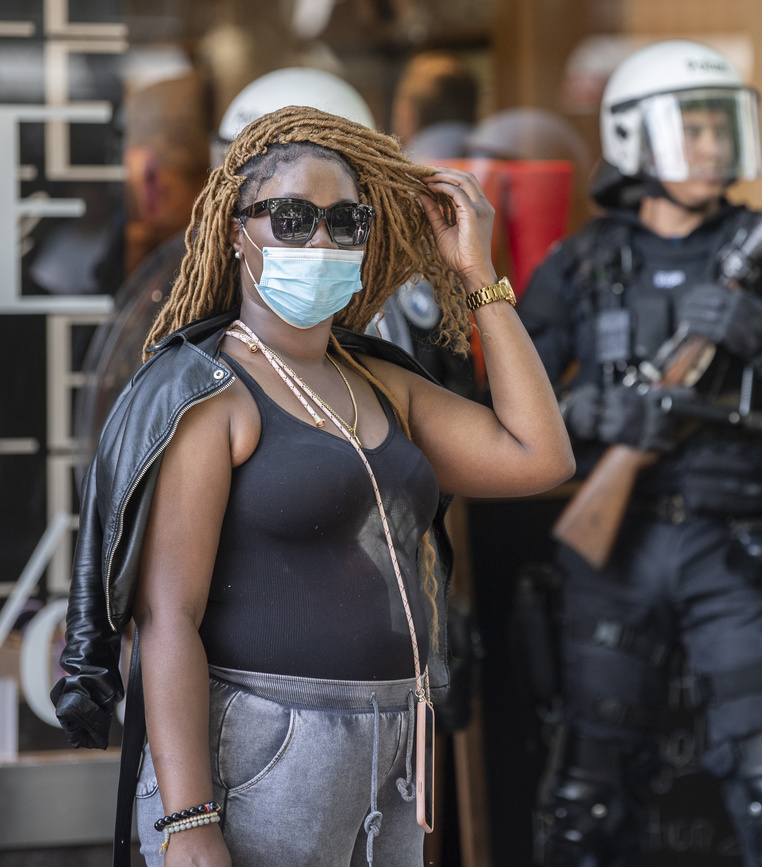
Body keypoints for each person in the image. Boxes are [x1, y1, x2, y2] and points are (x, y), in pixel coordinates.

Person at [53, 105, 574, 866]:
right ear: (237, 231)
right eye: (291, 219)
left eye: (344, 221)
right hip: (262, 751)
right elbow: (167, 618)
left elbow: (539, 454)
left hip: (391, 743)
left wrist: (477, 276)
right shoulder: (211, 390)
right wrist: (188, 819)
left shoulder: (380, 382)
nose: (320, 240)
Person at [519, 40, 762, 867]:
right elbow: (500, 407)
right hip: (617, 554)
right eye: (691, 128)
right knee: (585, 801)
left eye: (722, 127)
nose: (712, 146)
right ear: (631, 140)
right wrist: (590, 410)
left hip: (741, 555)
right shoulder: (583, 263)